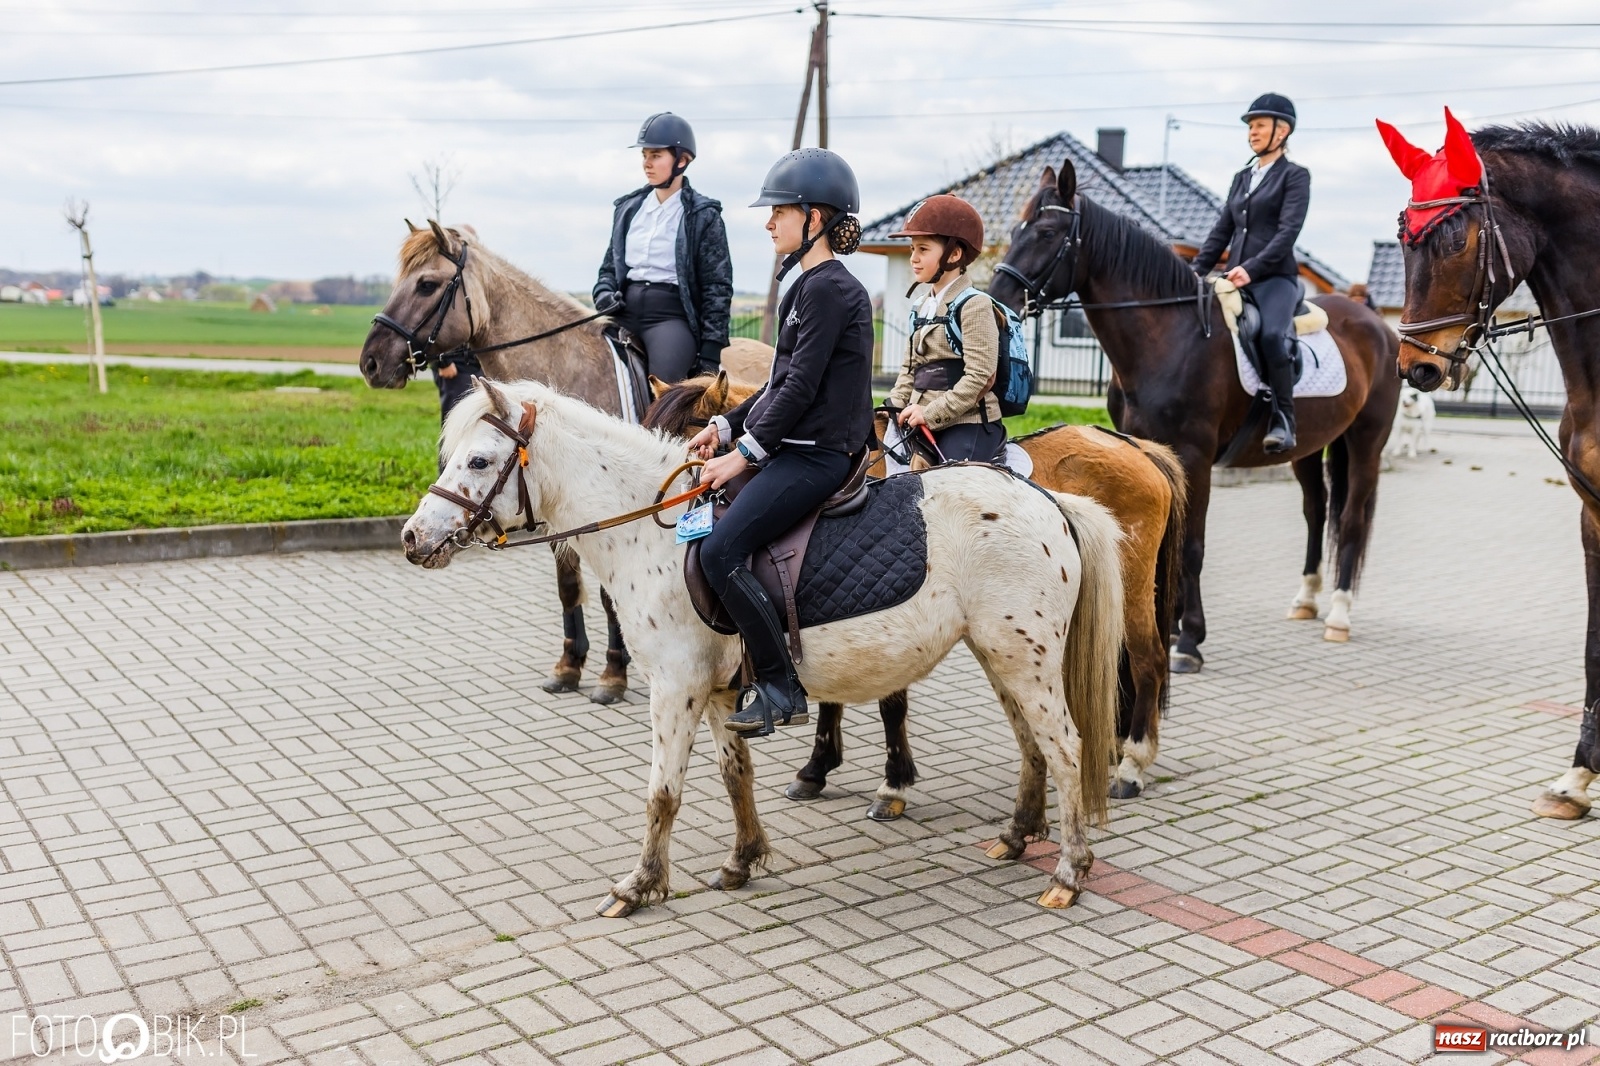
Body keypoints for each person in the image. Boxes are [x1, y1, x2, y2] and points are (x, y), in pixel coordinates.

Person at [685, 148, 874, 737]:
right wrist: (723, 428)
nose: (770, 222)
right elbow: (776, 385)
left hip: (820, 456)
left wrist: (741, 457)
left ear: (814, 218)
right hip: (795, 445)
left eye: (780, 212)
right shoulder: (806, 286)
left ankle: (778, 684)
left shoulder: (830, 291)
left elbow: (800, 391)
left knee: (718, 552)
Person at [1192, 92, 1311, 455]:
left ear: (1282, 130)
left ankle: (1283, 418)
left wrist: (1252, 268)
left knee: (1273, 334)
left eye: (1259, 125)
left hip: (1275, 279)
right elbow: (1221, 230)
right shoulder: (1242, 178)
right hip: (1234, 277)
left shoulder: (1295, 176)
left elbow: (1287, 233)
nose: (1252, 133)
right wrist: (1193, 272)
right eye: (1250, 127)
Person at [593, 112, 733, 384]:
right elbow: (609, 267)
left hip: (669, 318)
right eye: (644, 155)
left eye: (656, 156)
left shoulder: (704, 215)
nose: (647, 163)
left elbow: (718, 287)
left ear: (682, 160)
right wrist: (604, 293)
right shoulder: (628, 209)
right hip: (623, 310)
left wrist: (711, 352)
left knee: (665, 388)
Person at [884, 194, 1005, 464]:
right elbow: (909, 371)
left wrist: (929, 413)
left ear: (954, 254)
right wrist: (893, 404)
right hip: (919, 415)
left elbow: (979, 378)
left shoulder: (976, 305)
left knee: (947, 489)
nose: (913, 258)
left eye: (923, 249)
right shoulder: (919, 307)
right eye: (912, 249)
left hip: (968, 423)